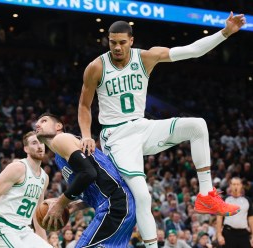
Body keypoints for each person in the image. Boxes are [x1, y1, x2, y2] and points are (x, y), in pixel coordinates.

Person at [78, 11, 246, 247]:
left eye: (122, 43)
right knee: (144, 198)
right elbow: (84, 106)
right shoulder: (96, 67)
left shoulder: (147, 57)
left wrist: (225, 32)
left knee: (198, 125)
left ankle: (207, 196)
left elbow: (193, 50)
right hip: (116, 136)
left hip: (142, 126)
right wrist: (86, 135)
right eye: (112, 42)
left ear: (131, 41)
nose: (116, 47)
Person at [35, 113, 136, 248]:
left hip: (115, 204)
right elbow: (96, 182)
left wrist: (60, 203)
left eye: (44, 121)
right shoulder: (60, 156)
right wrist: (77, 205)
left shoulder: (61, 139)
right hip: (116, 204)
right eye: (37, 122)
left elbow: (88, 173)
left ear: (58, 126)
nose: (37, 124)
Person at [0, 131, 52, 248]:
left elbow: (37, 213)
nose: (39, 146)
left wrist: (44, 242)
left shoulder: (45, 177)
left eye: (41, 143)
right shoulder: (18, 168)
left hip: (23, 230)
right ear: (26, 149)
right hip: (2, 226)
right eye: (34, 143)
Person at [216, 177, 253, 248]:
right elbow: (219, 218)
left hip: (243, 233)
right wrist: (219, 235)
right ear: (230, 186)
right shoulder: (224, 200)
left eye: (238, 184)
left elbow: (251, 219)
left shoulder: (248, 200)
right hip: (228, 233)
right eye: (234, 184)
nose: (236, 186)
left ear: (241, 185)